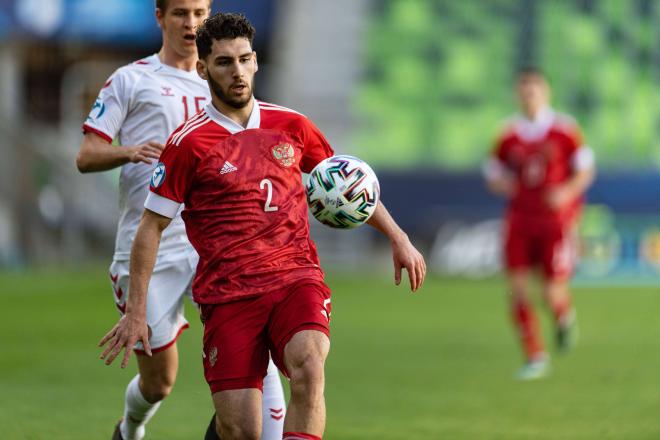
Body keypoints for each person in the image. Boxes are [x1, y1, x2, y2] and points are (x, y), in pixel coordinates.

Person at [98, 12, 426, 440]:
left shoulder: (292, 125)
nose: (237, 71)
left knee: (309, 365)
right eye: (224, 62)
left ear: (256, 62)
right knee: (240, 431)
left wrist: (397, 237)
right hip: (229, 296)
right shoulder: (188, 145)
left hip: (295, 278)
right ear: (203, 69)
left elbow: (346, 185)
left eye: (244, 59)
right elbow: (150, 227)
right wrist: (137, 311)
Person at [77, 2, 285, 439]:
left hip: (216, 247)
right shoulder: (133, 80)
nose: (191, 24)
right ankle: (130, 429)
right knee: (160, 382)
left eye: (199, 13)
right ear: (159, 17)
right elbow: (87, 153)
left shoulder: (225, 79)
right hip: (150, 246)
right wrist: (130, 151)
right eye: (180, 13)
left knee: (253, 353)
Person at [483, 66, 595, 380]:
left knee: (550, 292)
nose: (529, 94)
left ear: (546, 92)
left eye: (535, 88)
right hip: (519, 220)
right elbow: (492, 172)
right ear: (518, 94)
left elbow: (585, 170)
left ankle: (563, 316)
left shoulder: (565, 129)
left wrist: (566, 192)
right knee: (517, 290)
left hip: (555, 222)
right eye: (524, 88)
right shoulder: (508, 133)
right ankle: (535, 356)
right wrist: (503, 184)